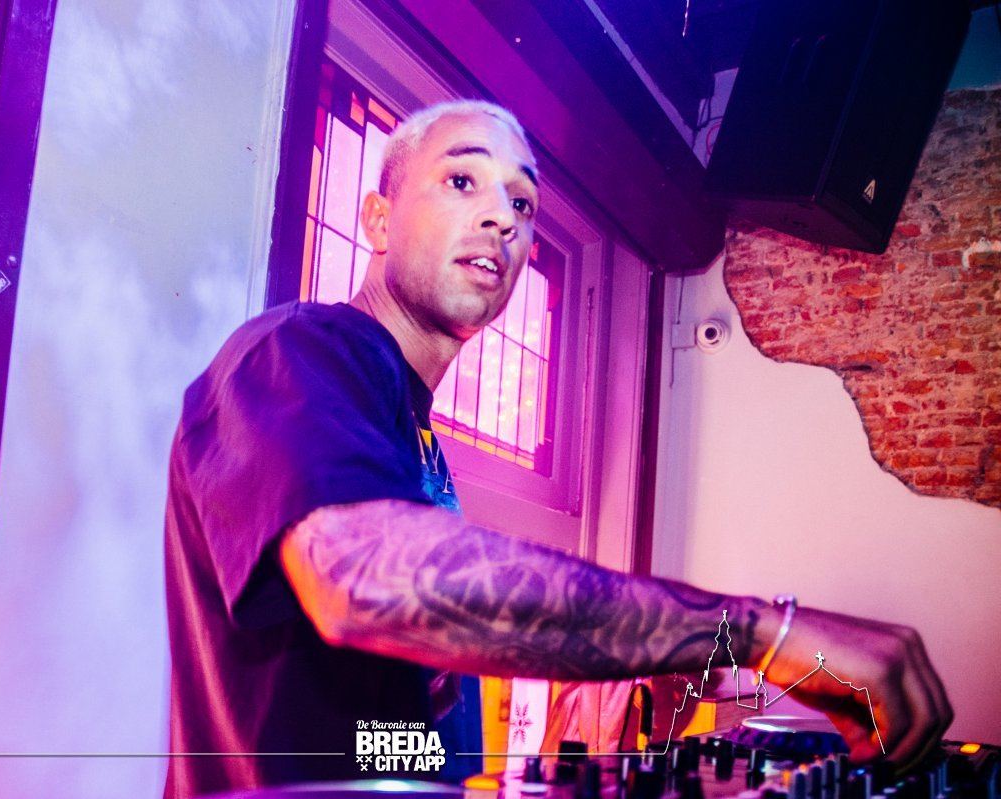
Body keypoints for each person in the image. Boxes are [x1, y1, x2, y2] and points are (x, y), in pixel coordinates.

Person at [163, 100, 952, 797]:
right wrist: (762, 633)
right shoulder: (301, 349)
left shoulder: (411, 432)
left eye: (523, 201)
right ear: (376, 219)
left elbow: (378, 735)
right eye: (462, 180)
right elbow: (369, 580)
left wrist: (620, 693)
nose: (503, 218)